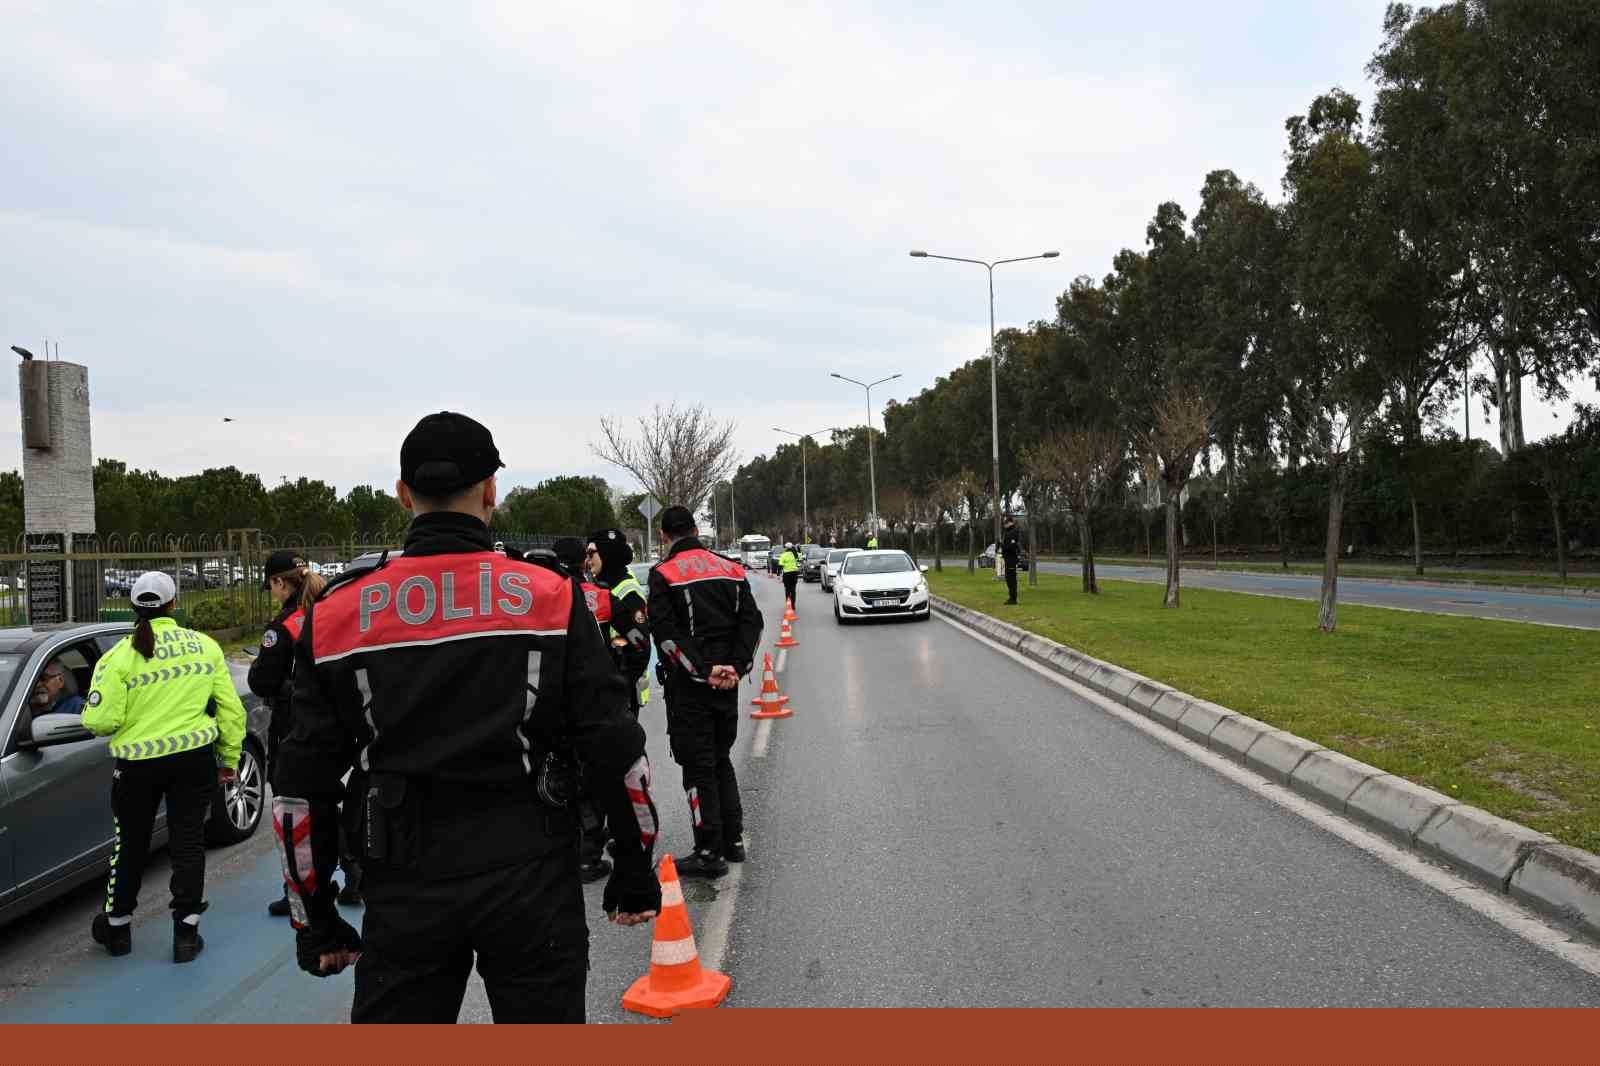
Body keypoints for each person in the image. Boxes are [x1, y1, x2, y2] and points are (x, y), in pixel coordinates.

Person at [271, 412, 660, 1024]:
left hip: (403, 886)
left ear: (404, 496)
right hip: (532, 876)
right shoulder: (551, 597)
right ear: (490, 491)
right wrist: (635, 868)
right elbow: (615, 747)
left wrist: (315, 919)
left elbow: (298, 789)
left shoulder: (337, 613)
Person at [82, 572, 248, 963]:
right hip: (193, 761)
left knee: (130, 844)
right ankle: (186, 936)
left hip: (136, 768)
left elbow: (99, 722)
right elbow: (231, 710)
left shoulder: (118, 657)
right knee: (188, 842)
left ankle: (118, 929)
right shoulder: (204, 647)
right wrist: (228, 759)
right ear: (175, 605)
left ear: (134, 608)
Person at [649, 505, 763, 879]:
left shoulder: (663, 574)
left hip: (690, 687)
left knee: (697, 767)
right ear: (696, 529)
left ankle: (708, 850)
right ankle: (733, 841)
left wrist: (701, 670)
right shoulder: (731, 568)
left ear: (664, 536)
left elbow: (666, 636)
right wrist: (737, 666)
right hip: (727, 683)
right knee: (720, 758)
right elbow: (753, 622)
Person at [250, 550, 365, 917]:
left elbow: (262, 680)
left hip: (294, 729)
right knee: (328, 800)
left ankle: (299, 888)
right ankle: (354, 876)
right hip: (334, 725)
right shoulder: (327, 611)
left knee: (294, 810)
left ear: (282, 583)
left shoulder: (282, 627)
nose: (271, 592)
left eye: (271, 585)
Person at [1001, 516, 1022, 605]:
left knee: (1011, 579)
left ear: (1010, 522)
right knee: (1008, 578)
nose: (1004, 525)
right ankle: (1011, 597)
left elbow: (1012, 545)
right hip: (1008, 558)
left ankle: (1013, 598)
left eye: (1005, 523)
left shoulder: (1013, 532)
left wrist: (1004, 547)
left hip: (1011, 559)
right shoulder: (1008, 532)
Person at [777, 541, 802, 615]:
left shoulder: (783, 555)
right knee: (793, 590)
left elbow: (780, 565)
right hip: (794, 573)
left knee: (787, 590)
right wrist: (799, 550)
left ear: (785, 548)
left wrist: (778, 574)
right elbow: (800, 558)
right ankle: (793, 605)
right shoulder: (795, 554)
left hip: (787, 575)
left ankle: (788, 605)